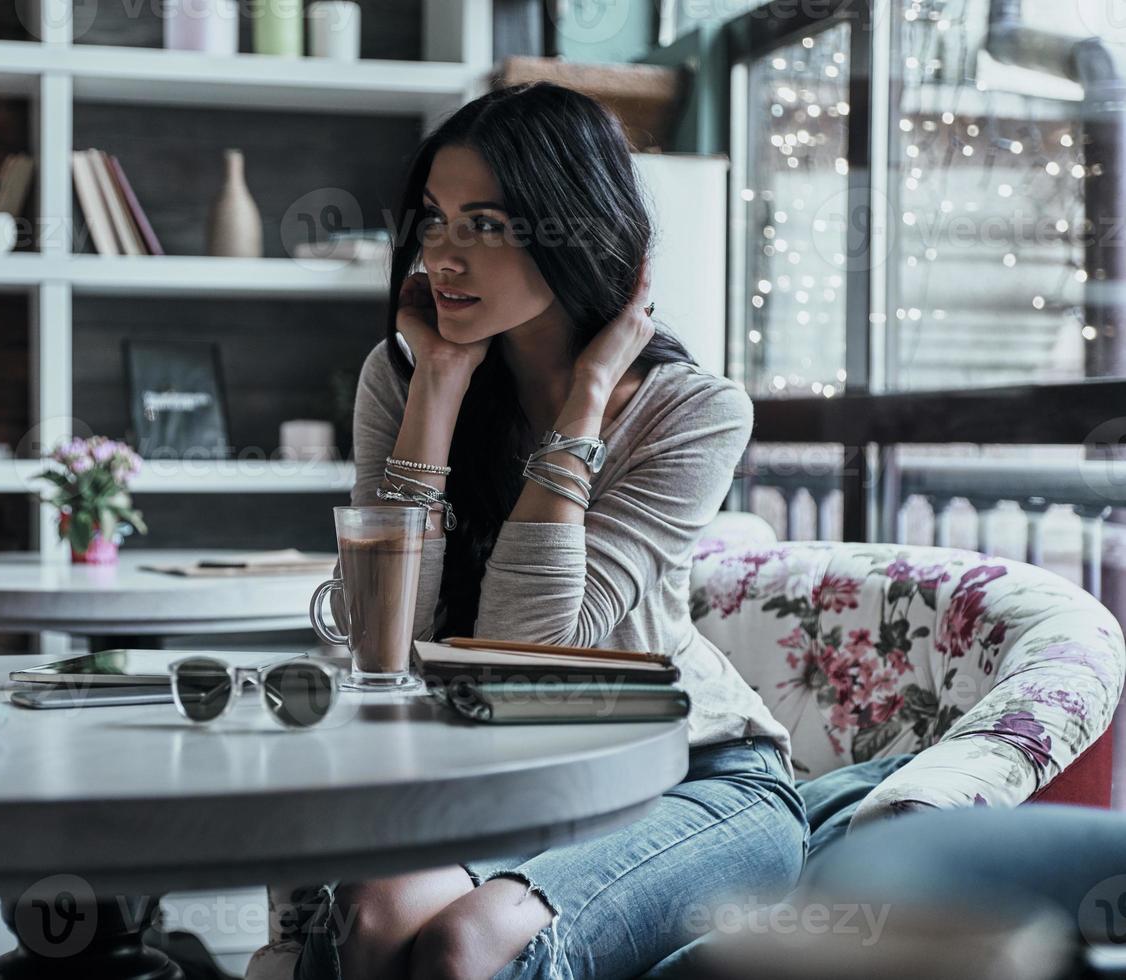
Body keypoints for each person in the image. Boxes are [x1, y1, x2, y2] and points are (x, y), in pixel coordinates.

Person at [291, 81, 808, 980]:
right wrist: (438, 391)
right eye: (434, 220)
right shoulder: (403, 374)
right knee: (371, 918)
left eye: (485, 225)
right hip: (511, 776)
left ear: (577, 228)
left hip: (695, 774)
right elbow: (386, 641)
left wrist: (586, 399)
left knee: (464, 947)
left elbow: (533, 654)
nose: (443, 257)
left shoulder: (696, 411)